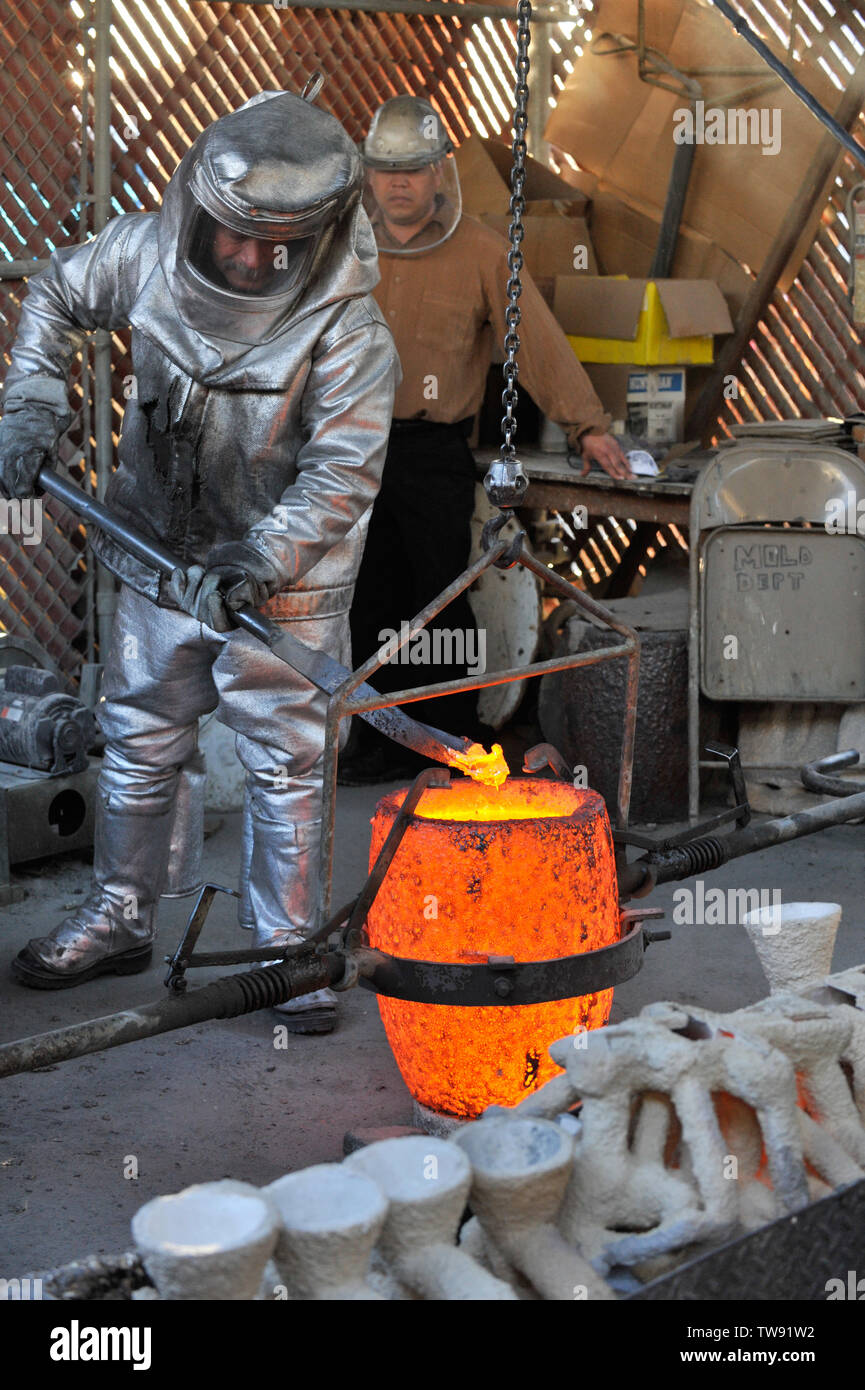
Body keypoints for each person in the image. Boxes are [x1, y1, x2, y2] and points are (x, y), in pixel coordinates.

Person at [0, 90, 398, 1034]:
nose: (257, 260)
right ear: (201, 212)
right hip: (152, 559)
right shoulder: (141, 252)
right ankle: (122, 915)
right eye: (239, 238)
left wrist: (254, 561)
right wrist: (30, 403)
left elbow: (341, 476)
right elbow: (55, 292)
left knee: (287, 765)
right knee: (137, 744)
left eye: (284, 246)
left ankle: (288, 953)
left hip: (281, 590)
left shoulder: (349, 332)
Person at [338, 94, 632, 786]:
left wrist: (586, 424)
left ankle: (448, 737)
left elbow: (535, 342)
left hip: (429, 454)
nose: (398, 183)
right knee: (364, 598)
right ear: (368, 177)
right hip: (348, 449)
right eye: (385, 170)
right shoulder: (342, 248)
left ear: (440, 172)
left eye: (412, 169)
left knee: (437, 595)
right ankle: (377, 741)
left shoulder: (479, 250)